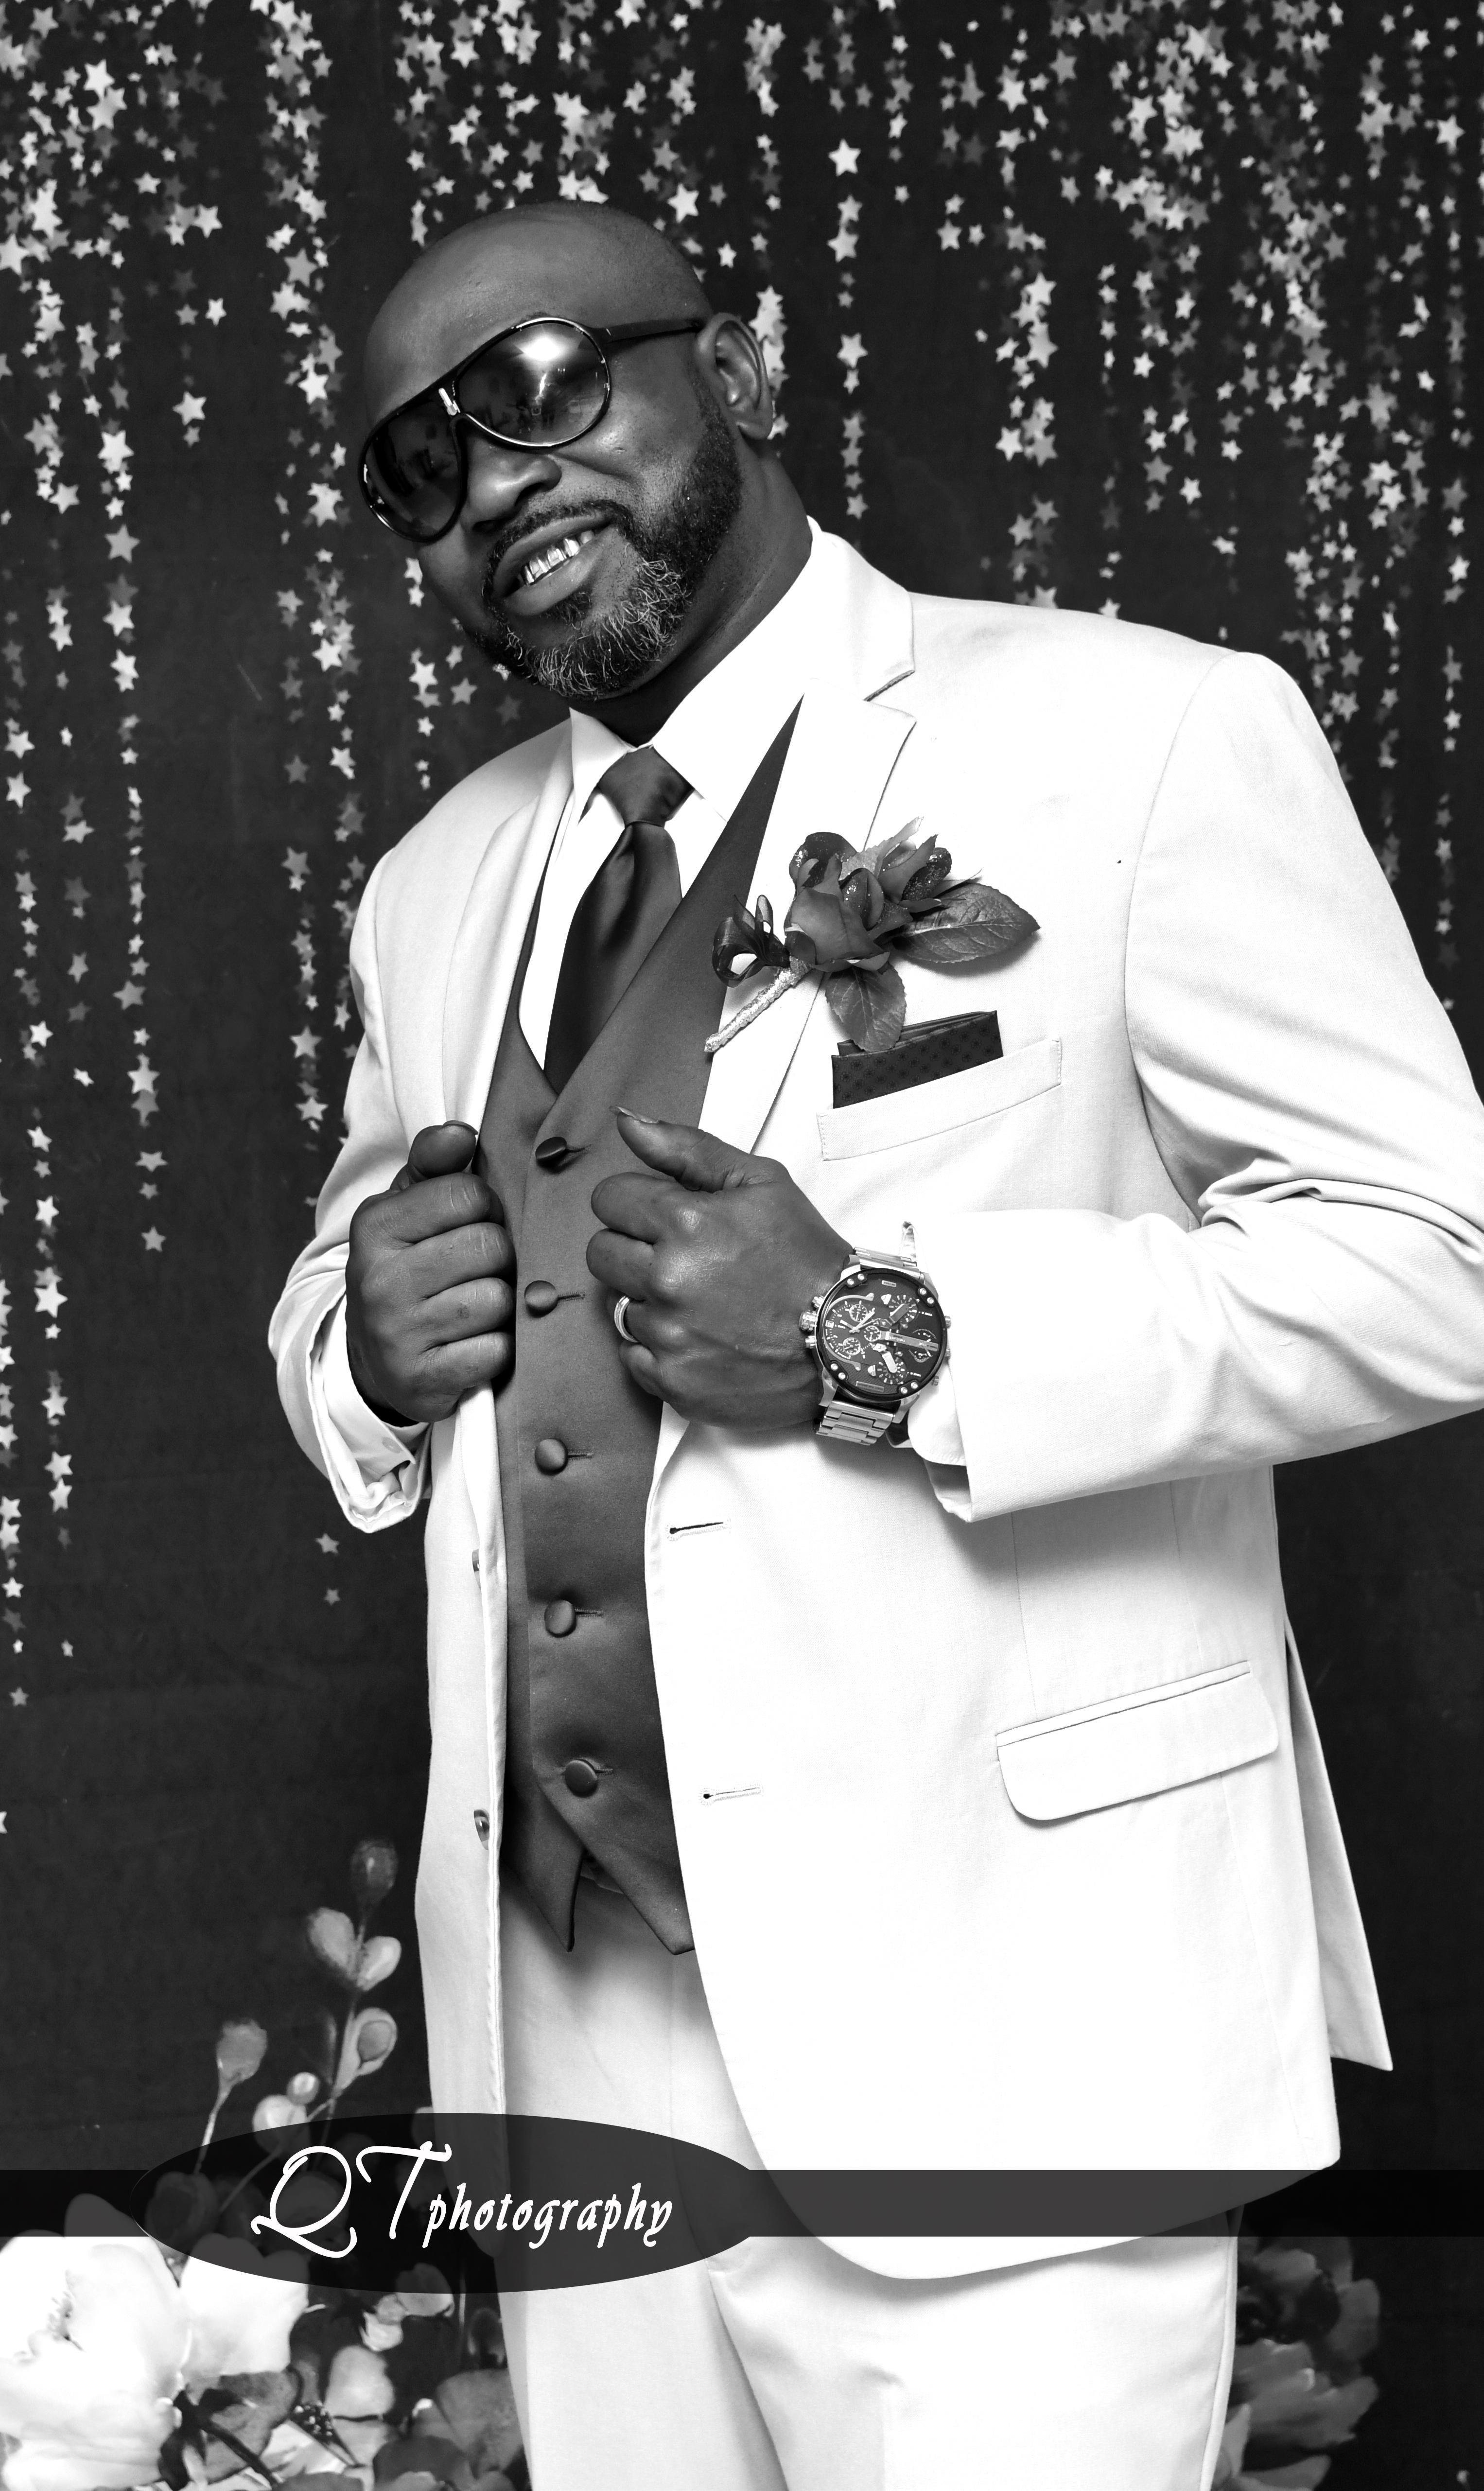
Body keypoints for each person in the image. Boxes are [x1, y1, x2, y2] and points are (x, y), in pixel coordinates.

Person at [270, 199, 1484, 2490]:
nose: (496, 479)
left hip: (1010, 2010)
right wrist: (363, 1348)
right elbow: (350, 1269)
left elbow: (1439, 1255)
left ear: (730, 368)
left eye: (541, 386)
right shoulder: (431, 887)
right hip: (574, 2031)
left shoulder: (1136, 736)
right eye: (419, 464)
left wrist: (874, 1332)